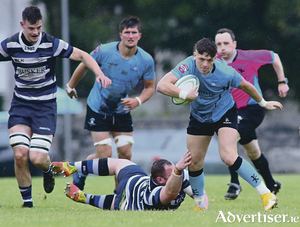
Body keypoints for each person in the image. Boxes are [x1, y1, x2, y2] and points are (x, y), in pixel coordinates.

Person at [0, 6, 111, 208]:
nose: (35, 32)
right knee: (19, 155)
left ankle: (48, 168)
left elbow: (84, 56)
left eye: (39, 28)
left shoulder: (51, 43)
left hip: (44, 108)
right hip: (21, 107)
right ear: (22, 25)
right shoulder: (10, 44)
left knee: (37, 157)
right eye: (31, 28)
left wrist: (100, 74)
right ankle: (28, 204)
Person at [156, 38, 283, 211]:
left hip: (225, 113)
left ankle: (266, 194)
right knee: (194, 162)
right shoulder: (187, 65)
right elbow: (161, 85)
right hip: (199, 117)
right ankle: (200, 205)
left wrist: (263, 103)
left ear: (216, 58)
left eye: (210, 60)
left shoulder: (226, 72)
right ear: (195, 56)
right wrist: (185, 94)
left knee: (229, 156)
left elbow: (246, 85)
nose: (205, 64)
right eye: (202, 59)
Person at [65, 16, 156, 192]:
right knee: (105, 155)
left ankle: (118, 194)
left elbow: (151, 87)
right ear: (120, 34)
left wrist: (138, 100)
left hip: (122, 111)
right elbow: (84, 63)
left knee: (126, 155)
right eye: (127, 33)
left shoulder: (146, 60)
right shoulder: (104, 51)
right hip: (98, 108)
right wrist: (70, 86)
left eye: (134, 33)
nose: (130, 36)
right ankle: (82, 170)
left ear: (140, 35)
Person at [215, 28, 289, 200]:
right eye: (219, 44)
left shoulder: (249, 57)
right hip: (231, 112)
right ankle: (271, 184)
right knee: (253, 152)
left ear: (234, 44)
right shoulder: (214, 61)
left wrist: (281, 81)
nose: (222, 48)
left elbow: (274, 56)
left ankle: (235, 183)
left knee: (229, 139)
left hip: (252, 109)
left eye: (226, 43)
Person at [51, 150, 207, 211]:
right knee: (120, 203)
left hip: (135, 185)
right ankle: (71, 167)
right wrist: (178, 170)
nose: (176, 173)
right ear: (160, 180)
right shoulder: (154, 195)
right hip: (133, 185)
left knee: (122, 167)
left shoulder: (176, 175)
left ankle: (84, 195)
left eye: (175, 171)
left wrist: (201, 209)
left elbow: (200, 192)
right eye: (172, 173)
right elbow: (171, 192)